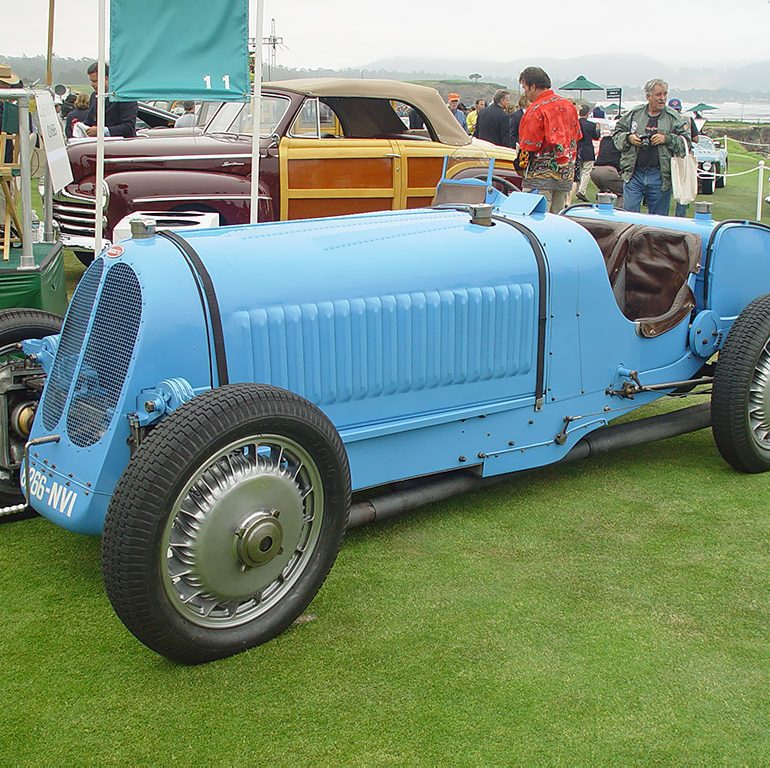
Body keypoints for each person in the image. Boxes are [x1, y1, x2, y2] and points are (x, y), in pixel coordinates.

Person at [612, 78, 689, 216]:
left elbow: (686, 144)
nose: (663, 98)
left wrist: (667, 139)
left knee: (658, 221)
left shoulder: (673, 117)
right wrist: (629, 138)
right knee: (629, 217)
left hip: (660, 175)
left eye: (665, 94)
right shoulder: (634, 114)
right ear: (648, 96)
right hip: (634, 173)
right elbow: (616, 134)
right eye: (658, 95)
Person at [516, 66, 582, 213]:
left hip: (540, 177)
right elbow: (577, 136)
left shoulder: (536, 110)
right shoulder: (568, 106)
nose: (525, 93)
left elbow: (528, 146)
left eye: (525, 88)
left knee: (536, 220)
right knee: (557, 219)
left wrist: (519, 166)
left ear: (533, 86)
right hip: (565, 174)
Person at [83, 61, 138, 138]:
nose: (92, 85)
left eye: (95, 81)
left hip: (121, 146)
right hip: (97, 145)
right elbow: (89, 121)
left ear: (106, 78)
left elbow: (128, 127)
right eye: (91, 81)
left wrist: (102, 131)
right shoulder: (94, 96)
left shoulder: (125, 96)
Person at [667, 97, 699, 217]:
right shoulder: (688, 119)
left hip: (669, 156)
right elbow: (696, 139)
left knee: (666, 187)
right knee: (683, 186)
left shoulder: (666, 119)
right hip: (683, 157)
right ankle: (680, 216)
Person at [591, 125, 624, 208]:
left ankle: (599, 212)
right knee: (623, 192)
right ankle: (620, 212)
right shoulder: (620, 142)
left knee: (604, 192)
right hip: (609, 171)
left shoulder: (605, 140)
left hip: (595, 171)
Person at [575, 104, 600, 202]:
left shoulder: (575, 124)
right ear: (588, 113)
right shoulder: (591, 125)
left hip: (577, 150)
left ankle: (578, 190)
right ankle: (581, 191)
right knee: (586, 172)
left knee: (579, 171)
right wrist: (598, 130)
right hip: (588, 150)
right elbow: (596, 137)